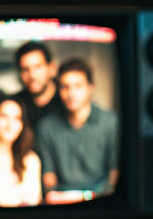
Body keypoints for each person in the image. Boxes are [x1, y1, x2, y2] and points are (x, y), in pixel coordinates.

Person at [35, 58, 119, 202]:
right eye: (64, 87)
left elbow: (114, 174)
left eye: (78, 86)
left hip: (101, 199)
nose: (71, 93)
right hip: (61, 200)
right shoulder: (46, 126)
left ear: (90, 87)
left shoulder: (111, 123)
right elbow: (49, 177)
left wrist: (88, 196)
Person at [15, 40, 61, 128]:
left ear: (52, 68)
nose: (32, 75)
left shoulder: (66, 102)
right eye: (25, 69)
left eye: (38, 67)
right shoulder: (15, 105)